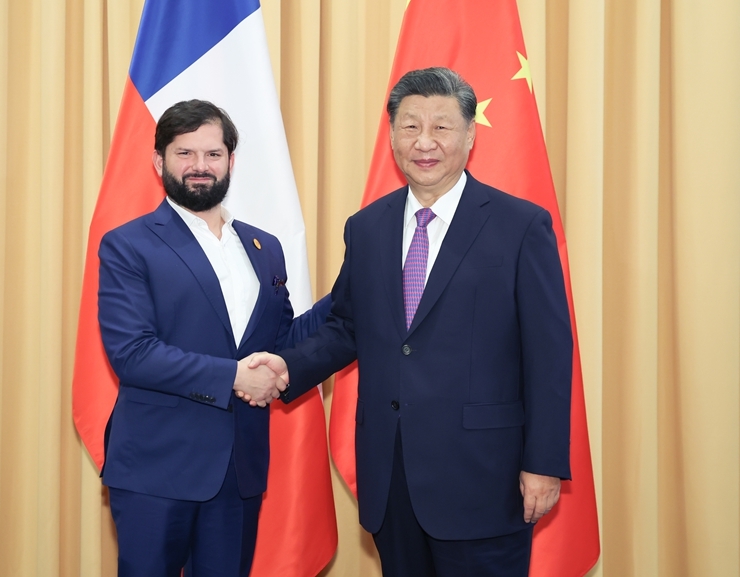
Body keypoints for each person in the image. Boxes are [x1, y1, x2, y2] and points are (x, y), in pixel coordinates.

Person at [246, 67, 573, 576]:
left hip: (486, 477)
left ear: (470, 134)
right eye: (411, 126)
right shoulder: (367, 227)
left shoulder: (521, 226)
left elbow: (549, 353)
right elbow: (347, 325)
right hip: (392, 476)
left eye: (442, 126)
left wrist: (544, 462)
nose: (425, 142)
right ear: (393, 135)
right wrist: (286, 369)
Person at [97, 99, 330, 577]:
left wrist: (350, 293)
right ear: (159, 161)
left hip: (238, 471)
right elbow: (133, 354)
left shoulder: (265, 248)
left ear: (231, 161)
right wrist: (234, 377)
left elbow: (280, 341)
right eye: (185, 153)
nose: (199, 166)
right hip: (155, 471)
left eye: (213, 154)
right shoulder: (127, 244)